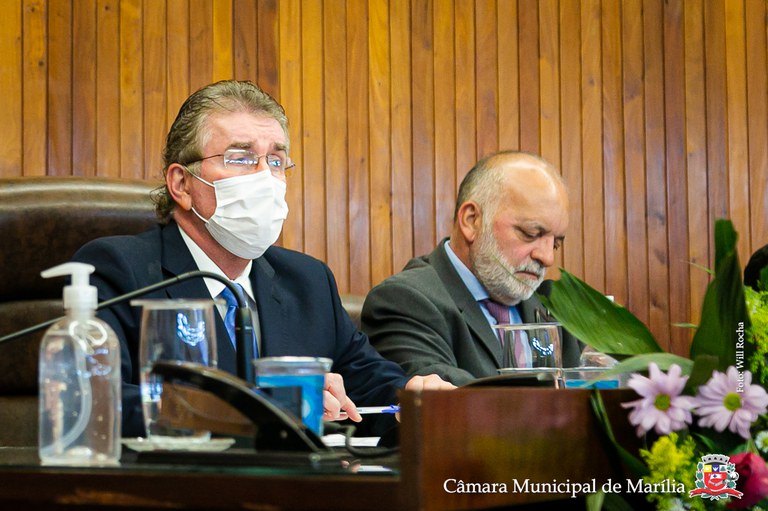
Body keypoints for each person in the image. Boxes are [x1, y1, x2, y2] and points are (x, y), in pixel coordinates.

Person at [72, 80, 452, 437]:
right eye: (240, 158)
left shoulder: (308, 280)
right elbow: (96, 400)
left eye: (275, 160)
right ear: (181, 184)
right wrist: (261, 406)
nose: (264, 177)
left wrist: (412, 399)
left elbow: (370, 382)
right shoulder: (120, 270)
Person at [361, 151, 582, 386]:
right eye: (530, 234)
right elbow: (444, 396)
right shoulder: (405, 301)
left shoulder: (554, 304)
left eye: (555, 244)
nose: (547, 257)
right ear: (471, 220)